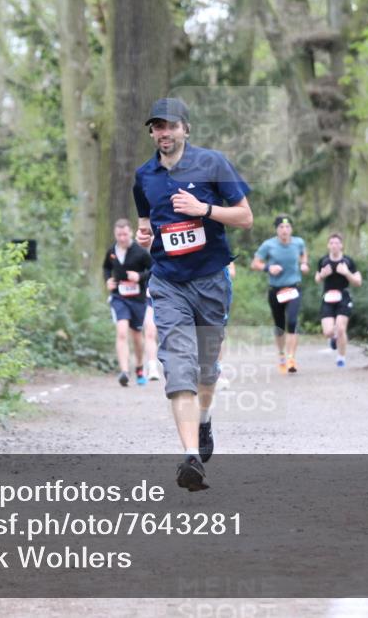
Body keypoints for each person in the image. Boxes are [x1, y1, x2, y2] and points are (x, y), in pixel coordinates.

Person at [134, 97, 253, 491]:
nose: (163, 132)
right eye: (156, 126)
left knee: (206, 371)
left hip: (210, 281)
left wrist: (204, 209)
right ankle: (189, 458)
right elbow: (145, 221)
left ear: (186, 128)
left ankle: (203, 422)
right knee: (178, 367)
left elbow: (245, 217)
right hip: (168, 283)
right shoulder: (144, 176)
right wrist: (144, 233)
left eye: (170, 125)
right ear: (152, 132)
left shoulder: (213, 164)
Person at [251, 216, 309, 374]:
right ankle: (282, 354)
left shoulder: (298, 242)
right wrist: (268, 268)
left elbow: (303, 254)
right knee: (279, 326)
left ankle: (291, 358)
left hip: (293, 288)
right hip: (275, 290)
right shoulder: (268, 245)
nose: (285, 230)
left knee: (292, 321)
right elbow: (255, 263)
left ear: (292, 229)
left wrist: (304, 264)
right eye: (281, 228)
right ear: (277, 230)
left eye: (288, 227)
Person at [102, 219, 153, 386]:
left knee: (137, 337)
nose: (122, 238)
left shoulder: (140, 252)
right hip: (119, 297)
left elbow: (153, 269)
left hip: (138, 299)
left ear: (130, 233)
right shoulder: (112, 251)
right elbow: (106, 268)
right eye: (118, 235)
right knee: (122, 332)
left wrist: (139, 277)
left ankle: (139, 367)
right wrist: (107, 280)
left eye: (124, 234)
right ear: (115, 235)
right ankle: (124, 371)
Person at [315, 232, 362, 367]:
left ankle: (341, 358)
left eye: (337, 243)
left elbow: (358, 282)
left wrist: (346, 273)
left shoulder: (348, 261)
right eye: (331, 243)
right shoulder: (323, 261)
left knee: (341, 328)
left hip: (343, 297)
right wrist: (323, 275)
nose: (334, 245)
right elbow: (317, 279)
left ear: (341, 246)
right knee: (328, 332)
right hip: (328, 297)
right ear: (328, 246)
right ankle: (333, 338)